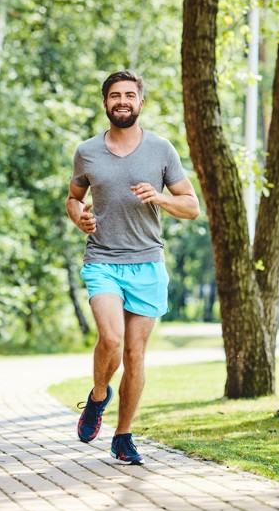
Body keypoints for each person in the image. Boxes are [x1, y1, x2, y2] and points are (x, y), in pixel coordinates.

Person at [66, 70, 199, 465]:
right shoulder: (87, 151)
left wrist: (159, 197)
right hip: (103, 259)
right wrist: (79, 218)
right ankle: (97, 396)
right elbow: (73, 198)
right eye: (114, 95)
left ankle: (122, 437)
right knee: (111, 339)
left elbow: (191, 206)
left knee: (136, 355)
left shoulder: (161, 150)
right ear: (105, 103)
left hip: (147, 263)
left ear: (141, 102)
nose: (121, 101)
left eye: (129, 95)